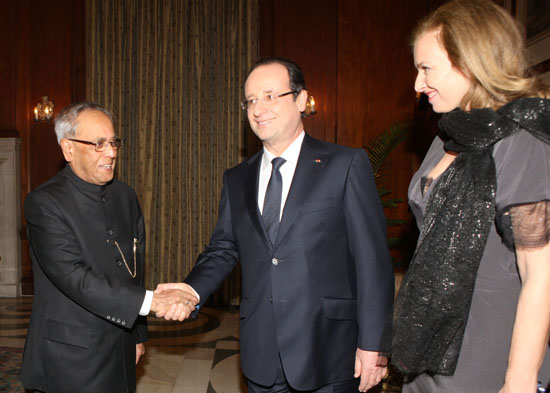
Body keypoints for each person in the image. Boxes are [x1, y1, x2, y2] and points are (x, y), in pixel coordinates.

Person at [155, 58, 394, 392]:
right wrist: (192, 289)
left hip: (328, 350)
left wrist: (373, 346)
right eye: (251, 100)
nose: (258, 108)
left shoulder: (345, 164)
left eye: (270, 96)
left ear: (300, 99)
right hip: (261, 351)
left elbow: (372, 262)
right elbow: (224, 248)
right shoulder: (237, 179)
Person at [386, 1, 550, 392]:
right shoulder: (450, 135)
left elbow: (540, 274)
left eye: (426, 68)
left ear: (471, 61)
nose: (416, 84)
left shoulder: (520, 138)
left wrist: (519, 380)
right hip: (431, 341)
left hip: (483, 352)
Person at [20, 101, 198, 393]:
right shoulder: (44, 203)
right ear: (68, 149)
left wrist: (138, 334)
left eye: (113, 142)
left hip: (122, 343)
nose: (112, 153)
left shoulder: (125, 195)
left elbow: (133, 270)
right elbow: (74, 277)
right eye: (98, 144)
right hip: (71, 356)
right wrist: (152, 302)